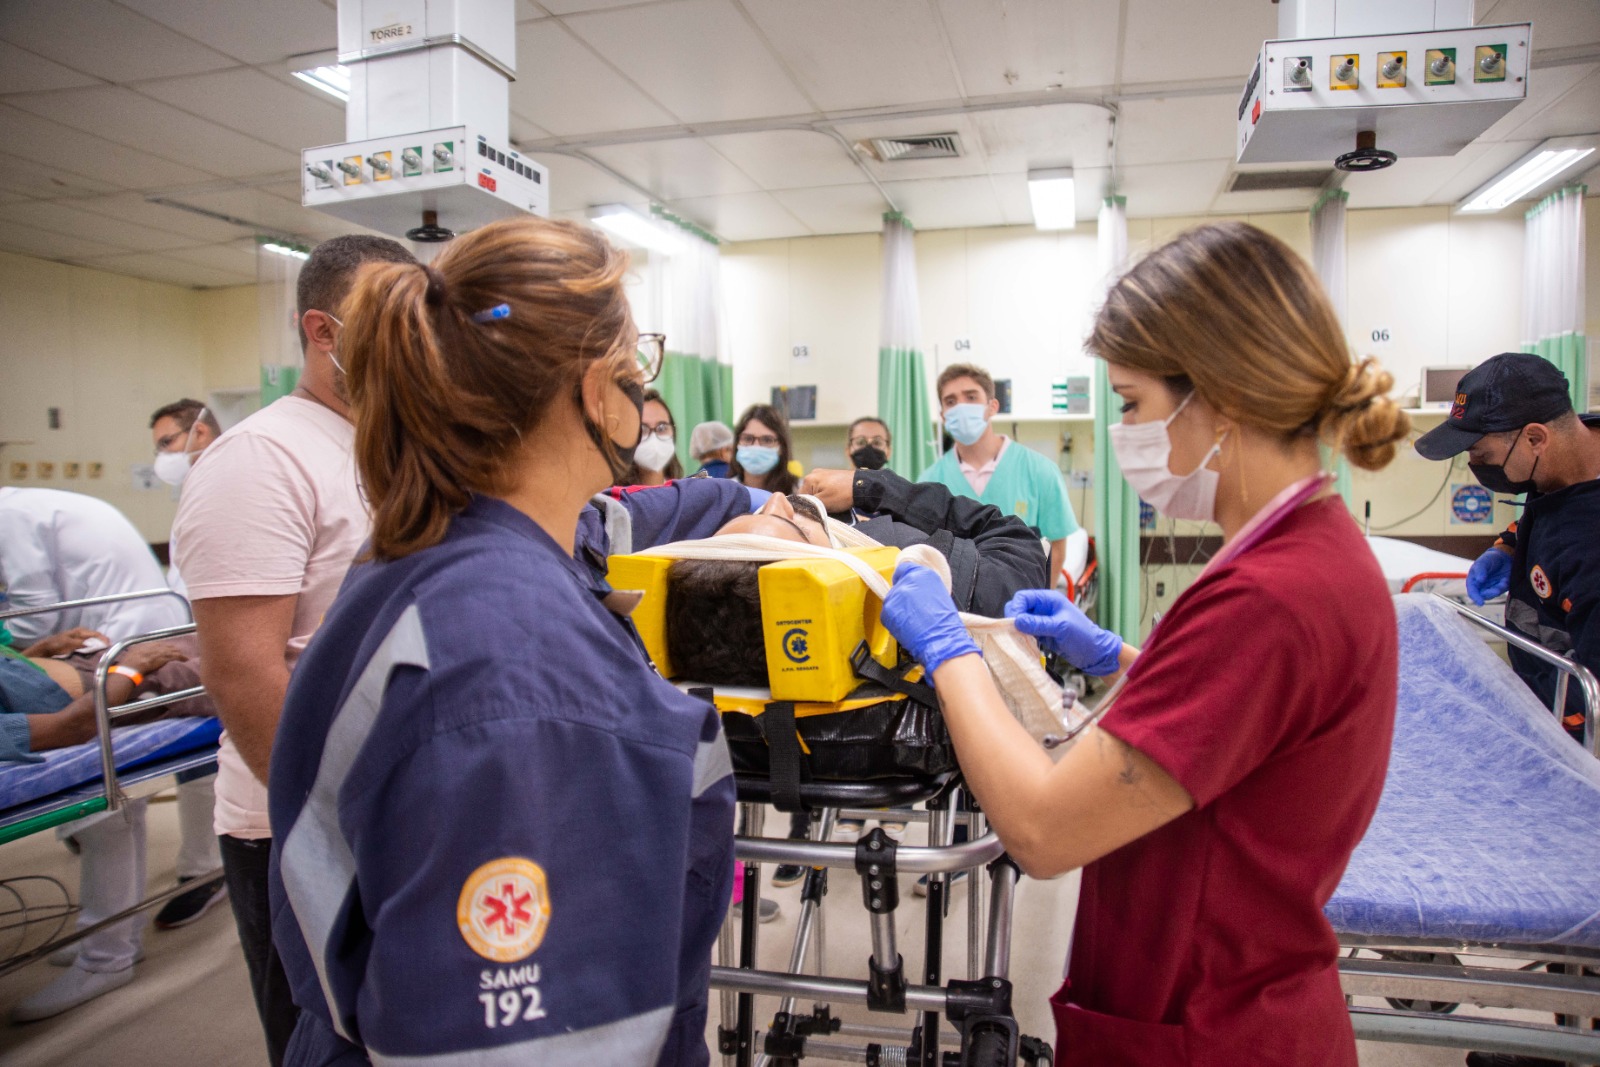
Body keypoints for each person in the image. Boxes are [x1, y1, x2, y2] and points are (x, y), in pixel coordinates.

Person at [877, 221, 1409, 1065]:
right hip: (1233, 996)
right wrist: (1127, 661)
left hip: (1211, 1027)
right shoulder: (1311, 550)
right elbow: (1244, 729)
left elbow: (1044, 832)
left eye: (1131, 404)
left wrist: (951, 650)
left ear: (1221, 396)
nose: (1126, 429)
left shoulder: (1272, 594)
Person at [269, 217, 743, 1067]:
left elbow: (650, 514)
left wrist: (758, 508)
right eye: (640, 359)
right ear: (598, 386)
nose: (644, 386)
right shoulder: (518, 675)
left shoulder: (436, 548)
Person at [171, 234, 418, 1067]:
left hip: (391, 809)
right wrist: (323, 826)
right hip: (297, 827)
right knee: (324, 1041)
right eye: (388, 319)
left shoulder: (392, 446)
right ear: (322, 330)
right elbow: (242, 668)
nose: (413, 339)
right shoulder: (260, 459)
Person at [679, 467, 1050, 885]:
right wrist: (871, 486)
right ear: (821, 583)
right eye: (784, 520)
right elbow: (1015, 538)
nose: (779, 498)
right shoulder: (925, 580)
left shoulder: (713, 683)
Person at [0, 488, 193, 1020]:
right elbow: (73, 727)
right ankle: (107, 946)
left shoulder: (13, 516)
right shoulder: (19, 512)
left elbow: (21, 642)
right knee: (208, 665)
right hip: (108, 684)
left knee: (218, 656)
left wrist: (36, 650)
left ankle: (107, 942)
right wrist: (128, 668)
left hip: (92, 661)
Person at [1415, 352, 1600, 746]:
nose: (1473, 465)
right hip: (1537, 704)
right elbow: (1549, 512)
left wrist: (1561, 742)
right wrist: (1511, 546)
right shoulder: (1565, 461)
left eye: (1482, 455)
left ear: (1535, 438)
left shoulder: (1591, 543)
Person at [146, 397, 229, 930]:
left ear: (199, 432)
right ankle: (205, 865)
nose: (161, 457)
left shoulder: (231, 480)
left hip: (207, 640)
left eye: (167, 442)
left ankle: (205, 867)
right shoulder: (199, 489)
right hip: (184, 634)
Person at [919, 363, 1078, 583]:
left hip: (1021, 602)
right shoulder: (929, 481)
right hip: (954, 608)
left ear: (992, 406)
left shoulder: (1040, 471)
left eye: (971, 397)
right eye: (951, 401)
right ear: (943, 416)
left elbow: (1057, 546)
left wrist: (1039, 602)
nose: (960, 407)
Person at [1, 626, 204, 758]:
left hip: (97, 664)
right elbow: (73, 727)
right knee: (227, 663)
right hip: (119, 690)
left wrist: (40, 651)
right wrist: (130, 669)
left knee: (212, 637)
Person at [621, 386, 685, 486]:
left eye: (662, 428)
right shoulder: (612, 498)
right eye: (642, 429)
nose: (653, 438)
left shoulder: (684, 494)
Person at [731, 403, 799, 495]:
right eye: (747, 438)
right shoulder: (725, 493)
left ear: (781, 448)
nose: (756, 446)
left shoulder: (796, 494)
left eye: (767, 440)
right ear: (737, 443)